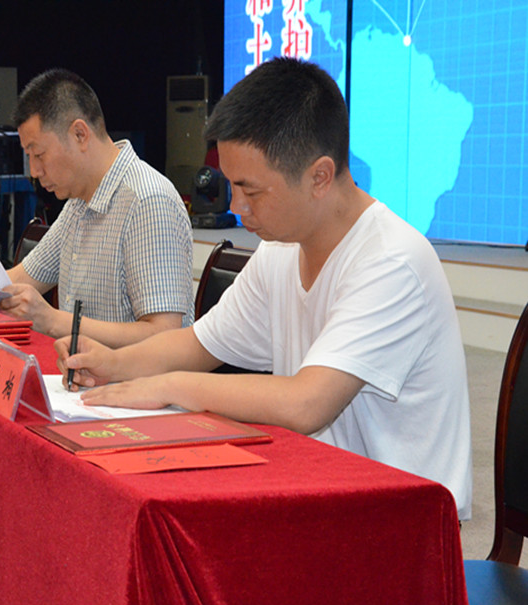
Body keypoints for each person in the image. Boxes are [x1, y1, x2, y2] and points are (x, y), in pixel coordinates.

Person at [58, 57, 472, 520]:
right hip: (321, 489)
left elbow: (306, 403)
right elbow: (197, 345)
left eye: (251, 191)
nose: (237, 206)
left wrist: (167, 386)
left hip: (400, 518)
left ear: (319, 177)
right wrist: (113, 365)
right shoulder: (281, 249)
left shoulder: (391, 261)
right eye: (232, 186)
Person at [0, 69, 194, 349]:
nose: (34, 171)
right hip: (82, 372)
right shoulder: (79, 202)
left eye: (39, 154)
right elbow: (23, 278)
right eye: (29, 156)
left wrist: (54, 321)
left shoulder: (148, 200)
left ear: (80, 134)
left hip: (135, 378)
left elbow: (164, 336)